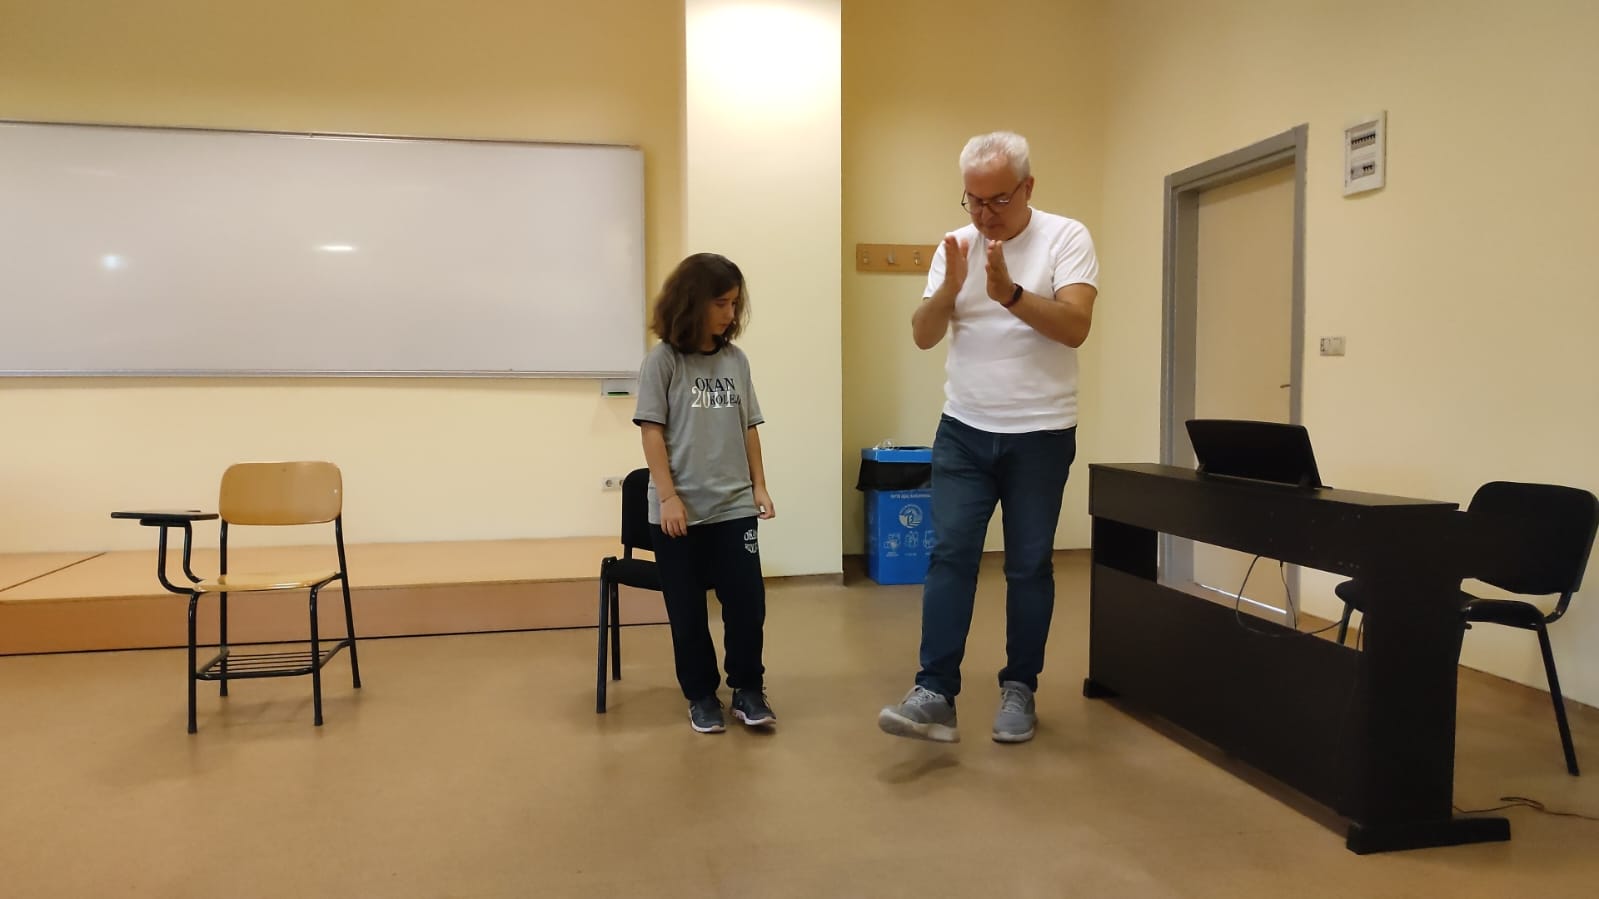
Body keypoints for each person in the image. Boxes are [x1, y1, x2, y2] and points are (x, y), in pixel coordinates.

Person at [877, 131, 1099, 744]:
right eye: (972, 200)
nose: (983, 214)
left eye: (997, 200)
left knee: (1028, 566)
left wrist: (1011, 296)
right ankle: (934, 692)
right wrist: (950, 291)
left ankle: (1019, 687)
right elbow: (924, 335)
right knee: (950, 556)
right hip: (964, 432)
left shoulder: (1066, 237)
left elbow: (1076, 326)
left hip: (1041, 434)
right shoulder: (956, 246)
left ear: (1027, 187)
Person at [634, 252, 777, 734]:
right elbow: (651, 432)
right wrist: (668, 497)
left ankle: (748, 689)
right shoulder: (663, 361)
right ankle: (700, 695)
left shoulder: (736, 361)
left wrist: (759, 485)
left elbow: (749, 426)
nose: (730, 314)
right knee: (688, 611)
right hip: (679, 511)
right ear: (692, 302)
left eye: (734, 304)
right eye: (720, 303)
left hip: (733, 506)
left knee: (747, 604)